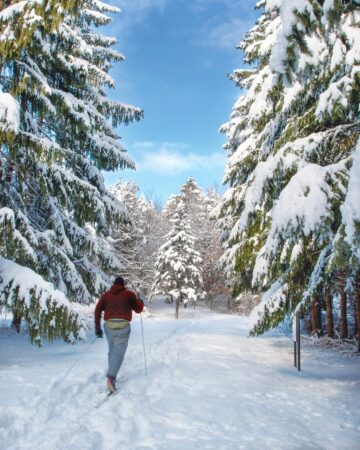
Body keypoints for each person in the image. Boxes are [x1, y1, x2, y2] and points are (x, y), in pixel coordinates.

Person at [95, 276, 144, 393]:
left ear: (113, 284)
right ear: (123, 285)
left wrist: (97, 327)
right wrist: (140, 302)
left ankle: (112, 377)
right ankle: (111, 379)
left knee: (112, 352)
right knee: (118, 353)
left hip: (108, 327)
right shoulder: (129, 294)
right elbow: (138, 309)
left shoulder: (106, 295)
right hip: (122, 326)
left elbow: (97, 310)